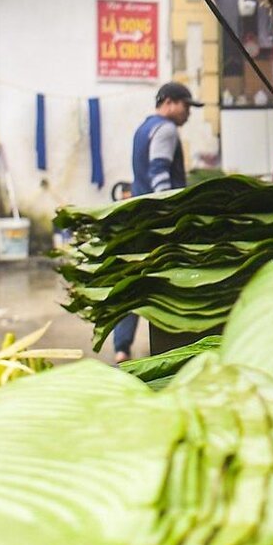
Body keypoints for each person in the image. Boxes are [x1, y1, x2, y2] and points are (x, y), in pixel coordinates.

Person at [110, 81, 194, 360]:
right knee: (163, 282)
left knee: (134, 282)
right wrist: (170, 214)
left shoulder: (143, 128)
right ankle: (168, 345)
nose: (188, 113)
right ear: (169, 102)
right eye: (186, 105)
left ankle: (121, 348)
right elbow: (159, 172)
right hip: (157, 221)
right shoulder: (166, 129)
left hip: (138, 217)